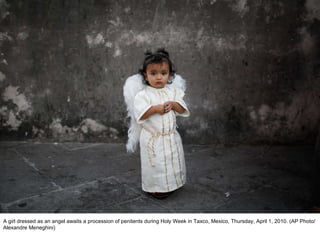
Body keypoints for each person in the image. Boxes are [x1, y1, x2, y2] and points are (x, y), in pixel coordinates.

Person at [123, 49, 190, 199]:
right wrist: (154, 109)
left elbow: (182, 108)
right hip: (153, 138)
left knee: (172, 161)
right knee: (156, 165)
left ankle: (172, 183)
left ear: (170, 75)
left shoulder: (173, 91)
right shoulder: (143, 95)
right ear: (145, 75)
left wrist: (173, 104)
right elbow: (139, 114)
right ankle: (155, 187)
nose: (159, 77)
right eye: (153, 73)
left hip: (170, 137)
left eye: (163, 73)